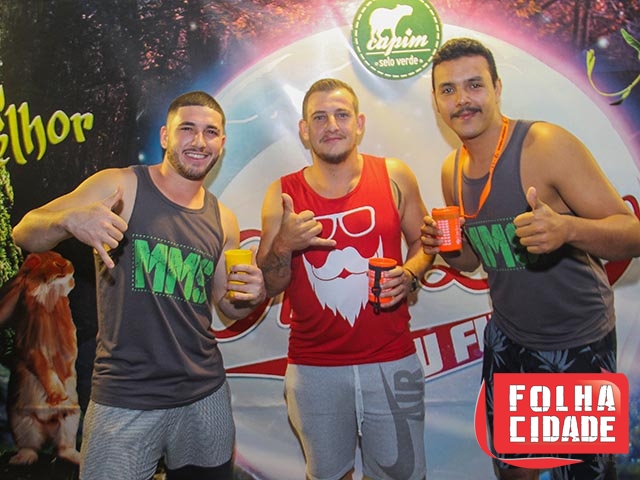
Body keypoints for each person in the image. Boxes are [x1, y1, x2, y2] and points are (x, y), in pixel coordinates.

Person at [12, 91, 267, 480]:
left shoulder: (223, 218)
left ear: (222, 142)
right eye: (187, 129)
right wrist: (68, 221)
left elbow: (228, 307)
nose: (199, 141)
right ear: (165, 136)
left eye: (211, 132)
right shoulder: (120, 186)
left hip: (204, 392)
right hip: (125, 396)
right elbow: (24, 231)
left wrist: (254, 294)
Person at [421, 37, 640, 480]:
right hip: (510, 339)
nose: (462, 100)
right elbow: (473, 261)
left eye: (474, 85)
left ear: (497, 88)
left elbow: (632, 233)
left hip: (576, 342)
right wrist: (444, 246)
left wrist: (569, 230)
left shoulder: (544, 145)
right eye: (448, 89)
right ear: (437, 101)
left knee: (580, 475)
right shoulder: (451, 169)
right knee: (513, 470)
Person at [257, 78, 432, 480]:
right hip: (314, 367)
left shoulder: (394, 175)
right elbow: (271, 284)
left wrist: (411, 274)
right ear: (304, 130)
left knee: (402, 475)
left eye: (341, 115)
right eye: (319, 117)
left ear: (359, 123)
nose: (331, 125)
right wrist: (284, 243)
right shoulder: (282, 194)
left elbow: (424, 243)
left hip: (391, 358)